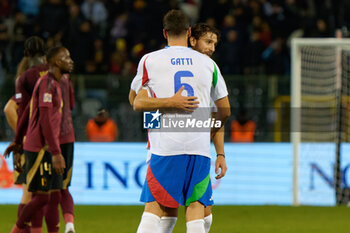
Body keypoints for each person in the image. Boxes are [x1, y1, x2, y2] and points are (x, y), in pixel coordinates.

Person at [133, 10, 230, 233]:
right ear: (189, 34)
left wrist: (164, 106)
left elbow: (136, 101)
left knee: (157, 206)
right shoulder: (209, 65)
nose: (212, 48)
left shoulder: (150, 60)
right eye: (208, 41)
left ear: (164, 32)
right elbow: (224, 111)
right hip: (198, 147)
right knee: (196, 207)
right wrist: (208, 131)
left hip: (165, 147)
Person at [9, 46, 74, 233]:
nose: (71, 61)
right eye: (66, 58)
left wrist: (17, 142)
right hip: (39, 148)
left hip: (45, 147)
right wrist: (56, 152)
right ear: (55, 62)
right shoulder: (47, 85)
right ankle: (16, 230)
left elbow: (29, 111)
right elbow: (44, 120)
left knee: (48, 196)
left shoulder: (56, 83)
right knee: (40, 197)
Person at [4, 36, 48, 233]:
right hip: (39, 141)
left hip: (28, 140)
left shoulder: (23, 77)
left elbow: (10, 109)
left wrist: (20, 136)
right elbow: (8, 109)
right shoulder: (45, 77)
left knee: (29, 193)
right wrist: (23, 137)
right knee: (35, 193)